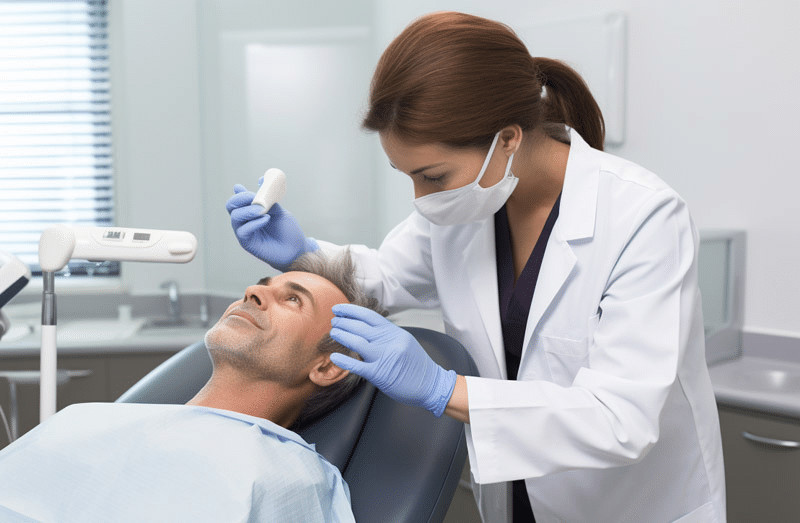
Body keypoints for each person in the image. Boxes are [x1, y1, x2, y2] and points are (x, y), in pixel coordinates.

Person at [226, 11, 726, 523]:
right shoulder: (471, 202)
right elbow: (387, 278)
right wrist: (301, 255)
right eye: (408, 176)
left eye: (433, 176)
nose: (421, 199)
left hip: (629, 505)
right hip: (519, 496)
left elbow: (621, 419)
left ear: (506, 139)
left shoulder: (643, 217)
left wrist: (443, 390)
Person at [0, 251, 383, 523]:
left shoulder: (281, 477)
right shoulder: (87, 419)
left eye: (294, 300)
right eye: (262, 285)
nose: (253, 291)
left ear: (328, 366)